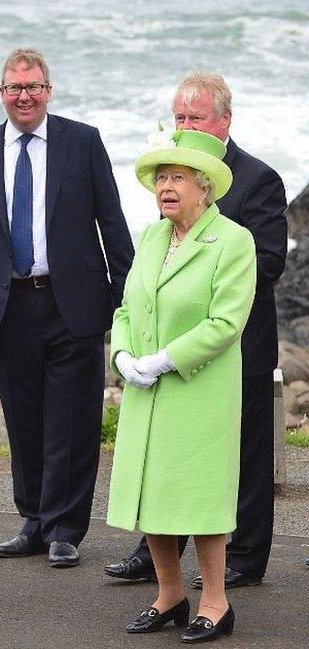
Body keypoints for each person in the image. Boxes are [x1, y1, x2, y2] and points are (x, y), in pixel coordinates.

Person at [0, 48, 133, 567]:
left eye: (33, 87)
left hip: (74, 302)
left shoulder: (83, 141)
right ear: (1, 93)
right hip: (6, 307)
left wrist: (127, 301)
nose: (24, 97)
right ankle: (33, 521)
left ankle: (66, 528)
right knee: (25, 419)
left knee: (73, 420)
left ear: (48, 90)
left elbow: (111, 222)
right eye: (14, 88)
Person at [104, 72, 288, 589]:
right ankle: (155, 551)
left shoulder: (260, 179)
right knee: (168, 448)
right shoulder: (165, 194)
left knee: (244, 451)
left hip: (239, 340)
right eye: (179, 118)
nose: (185, 126)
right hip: (166, 338)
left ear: (224, 120)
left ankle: (246, 558)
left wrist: (212, 247)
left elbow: (269, 261)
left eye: (196, 118)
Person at [108, 129, 256, 643]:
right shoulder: (152, 236)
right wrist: (123, 354)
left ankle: (216, 603)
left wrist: (167, 359)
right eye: (161, 178)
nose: (165, 187)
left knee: (199, 497)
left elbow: (225, 323)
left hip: (198, 393)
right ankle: (169, 594)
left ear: (204, 188)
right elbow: (127, 306)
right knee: (154, 494)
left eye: (177, 178)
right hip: (147, 392)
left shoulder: (234, 241)